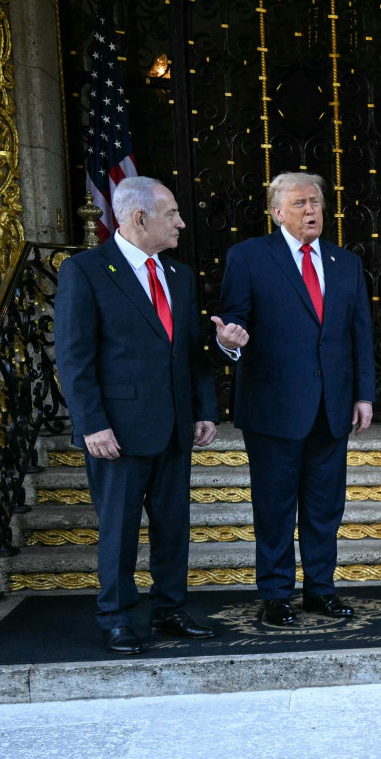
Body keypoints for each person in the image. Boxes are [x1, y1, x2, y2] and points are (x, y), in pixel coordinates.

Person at [53, 176, 222, 654]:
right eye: (172, 213)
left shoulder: (179, 275)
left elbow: (190, 351)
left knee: (173, 529)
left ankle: (170, 611)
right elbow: (73, 356)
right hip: (118, 430)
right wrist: (91, 423)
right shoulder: (85, 271)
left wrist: (203, 408)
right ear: (140, 217)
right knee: (120, 530)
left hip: (174, 426)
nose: (181, 223)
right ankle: (116, 618)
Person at [213, 172, 374, 627]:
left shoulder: (346, 263)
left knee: (325, 508)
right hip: (272, 408)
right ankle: (276, 594)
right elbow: (233, 320)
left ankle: (321, 591)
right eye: (301, 203)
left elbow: (360, 332)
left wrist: (364, 394)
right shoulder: (248, 257)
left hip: (332, 407)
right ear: (277, 211)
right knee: (275, 507)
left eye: (318, 203)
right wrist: (230, 339)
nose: (312, 211)